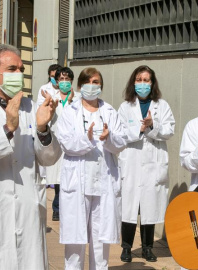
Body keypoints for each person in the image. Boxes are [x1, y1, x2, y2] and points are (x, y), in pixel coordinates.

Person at [57, 67, 127, 270]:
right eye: (88, 82)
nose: (92, 86)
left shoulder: (110, 111)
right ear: (80, 86)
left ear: (101, 86)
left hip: (103, 183)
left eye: (96, 82)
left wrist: (109, 138)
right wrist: (87, 140)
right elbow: (66, 143)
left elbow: (121, 142)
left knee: (100, 241)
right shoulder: (70, 112)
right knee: (75, 241)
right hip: (77, 183)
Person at [0, 44, 61, 269]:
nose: (19, 75)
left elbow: (49, 158)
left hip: (28, 208)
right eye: (11, 69)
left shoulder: (31, 107)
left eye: (21, 69)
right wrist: (8, 128)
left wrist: (43, 128)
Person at [118, 65, 175, 262]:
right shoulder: (125, 107)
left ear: (153, 83)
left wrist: (152, 126)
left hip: (153, 163)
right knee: (129, 207)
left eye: (147, 80)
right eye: (139, 80)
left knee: (149, 208)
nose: (143, 84)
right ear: (134, 83)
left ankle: (147, 248)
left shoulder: (162, 105)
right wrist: (140, 131)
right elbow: (120, 133)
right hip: (132, 161)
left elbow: (169, 131)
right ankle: (126, 247)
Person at [39, 66, 79, 221]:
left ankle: (68, 209)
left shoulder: (78, 98)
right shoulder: (51, 97)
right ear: (56, 80)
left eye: (67, 79)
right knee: (57, 180)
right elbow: (42, 118)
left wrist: (70, 102)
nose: (64, 82)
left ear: (71, 81)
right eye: (61, 79)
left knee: (69, 179)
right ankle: (57, 209)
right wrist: (49, 105)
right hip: (56, 141)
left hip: (72, 144)